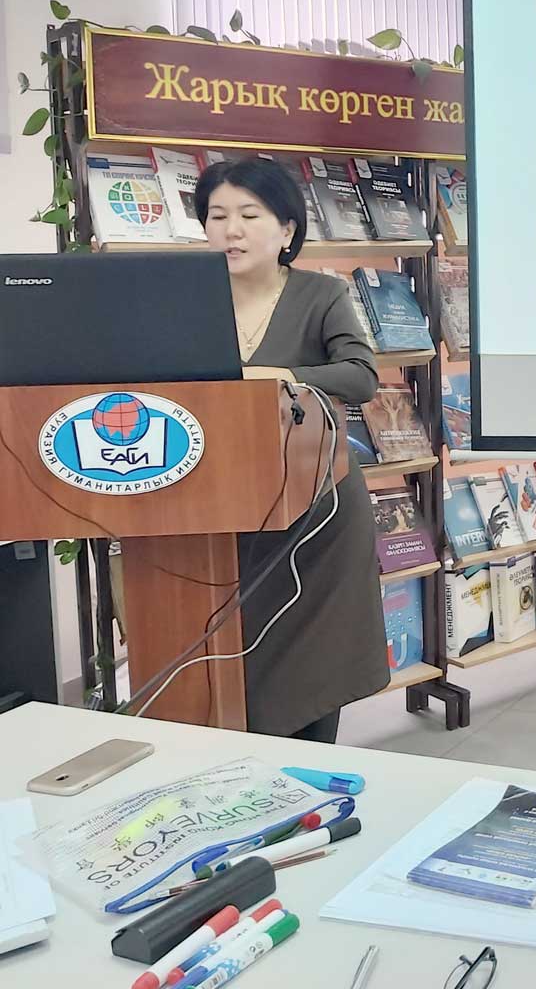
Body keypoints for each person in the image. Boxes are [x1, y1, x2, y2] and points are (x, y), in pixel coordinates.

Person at [196, 158, 390, 741]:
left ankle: (308, 776)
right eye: (216, 216)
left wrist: (280, 375)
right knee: (234, 664)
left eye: (249, 215)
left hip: (316, 511)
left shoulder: (320, 294)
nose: (231, 230)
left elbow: (361, 376)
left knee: (312, 665)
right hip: (218, 510)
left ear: (286, 229)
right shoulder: (184, 299)